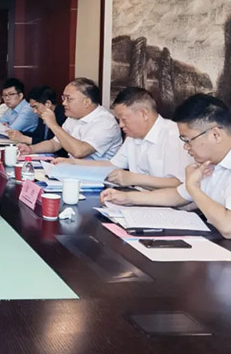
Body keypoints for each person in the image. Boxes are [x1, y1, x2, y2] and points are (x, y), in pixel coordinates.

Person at [101, 94, 231, 237]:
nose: (185, 147)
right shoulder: (209, 163)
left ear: (215, 135)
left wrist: (193, 187)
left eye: (188, 140)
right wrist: (128, 198)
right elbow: (177, 195)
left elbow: (228, 227)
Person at [56, 87, 191, 188]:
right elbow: (112, 165)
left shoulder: (175, 135)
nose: (120, 125)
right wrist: (73, 163)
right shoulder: (133, 135)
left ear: (143, 114)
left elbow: (179, 184)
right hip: (139, 200)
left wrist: (134, 179)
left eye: (123, 119)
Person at [19, 77, 122, 160]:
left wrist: (54, 125)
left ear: (86, 102)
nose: (64, 103)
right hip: (74, 170)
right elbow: (54, 144)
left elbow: (79, 152)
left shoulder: (105, 122)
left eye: (69, 99)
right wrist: (31, 149)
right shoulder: (73, 117)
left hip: (98, 177)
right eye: (63, 98)